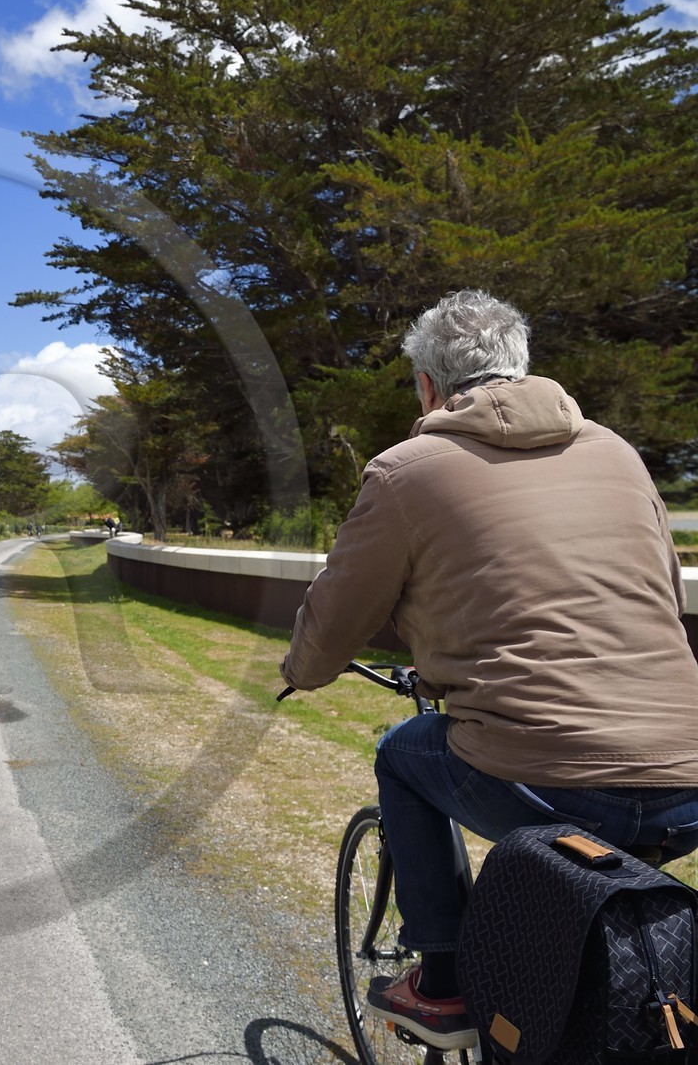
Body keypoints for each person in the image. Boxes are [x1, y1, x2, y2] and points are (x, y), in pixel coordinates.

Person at [280, 289, 698, 1051]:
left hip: (552, 775)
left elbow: (332, 623)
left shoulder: (406, 470)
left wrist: (301, 668)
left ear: (428, 387)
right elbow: (664, 595)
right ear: (523, 367)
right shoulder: (618, 452)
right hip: (685, 777)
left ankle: (441, 982)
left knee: (402, 755)